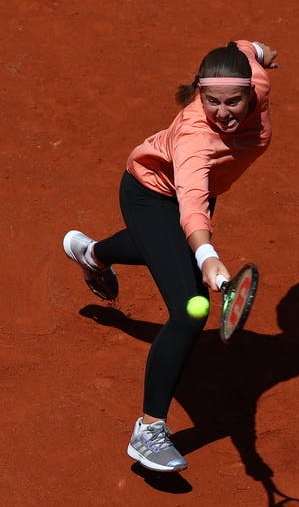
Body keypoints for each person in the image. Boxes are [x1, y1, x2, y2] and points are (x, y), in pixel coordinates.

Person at [63, 39, 279, 472]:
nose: (223, 112)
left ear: (251, 92)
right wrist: (207, 255)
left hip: (185, 205)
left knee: (164, 252)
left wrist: (258, 48)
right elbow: (193, 206)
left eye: (233, 101)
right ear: (200, 94)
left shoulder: (255, 77)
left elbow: (243, 48)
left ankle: (92, 253)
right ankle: (149, 431)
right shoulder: (195, 142)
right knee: (188, 311)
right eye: (211, 101)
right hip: (151, 196)